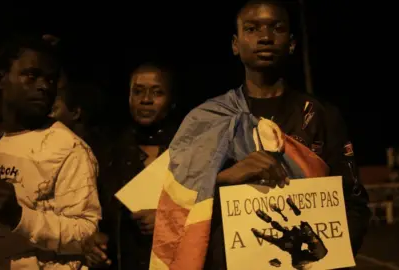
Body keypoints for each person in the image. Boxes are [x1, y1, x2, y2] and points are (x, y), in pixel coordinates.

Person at [150, 1, 370, 270]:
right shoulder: (206, 120)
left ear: (291, 44)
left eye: (276, 29)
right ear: (235, 44)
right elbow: (174, 203)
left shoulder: (321, 116)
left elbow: (354, 203)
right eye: (252, 29)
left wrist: (329, 260)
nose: (265, 38)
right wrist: (224, 178)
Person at [0, 35, 101, 269]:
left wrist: (19, 217)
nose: (44, 86)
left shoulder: (68, 148)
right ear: (1, 78)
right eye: (31, 76)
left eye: (51, 80)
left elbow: (87, 233)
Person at [82, 62, 183, 270]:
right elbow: (96, 217)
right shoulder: (107, 150)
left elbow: (209, 211)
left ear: (172, 100)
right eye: (138, 92)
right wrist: (93, 242)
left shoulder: (188, 152)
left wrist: (168, 219)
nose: (145, 100)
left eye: (157, 92)